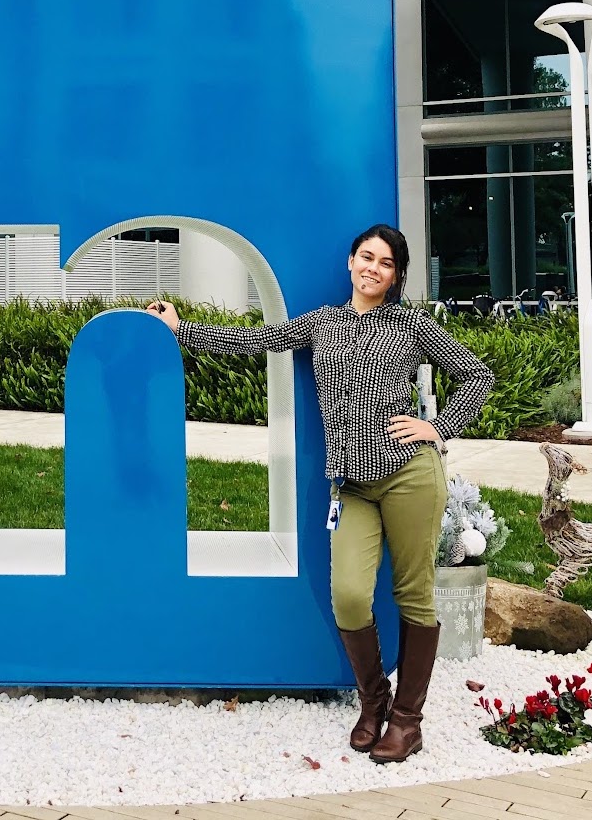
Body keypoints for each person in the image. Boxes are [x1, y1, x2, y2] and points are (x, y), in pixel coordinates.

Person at [146, 224, 493, 763]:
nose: (373, 268)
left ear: (396, 275)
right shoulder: (322, 322)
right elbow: (256, 341)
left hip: (410, 475)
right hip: (351, 485)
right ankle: (374, 702)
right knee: (349, 596)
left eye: (386, 263)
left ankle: (407, 721)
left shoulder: (410, 324)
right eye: (366, 257)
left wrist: (438, 427)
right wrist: (180, 328)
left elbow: (478, 376)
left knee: (414, 594)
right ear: (351, 262)